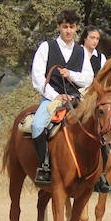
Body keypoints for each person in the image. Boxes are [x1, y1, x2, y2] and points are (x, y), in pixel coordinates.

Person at [29, 9, 97, 188]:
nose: (68, 30)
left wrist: (71, 74)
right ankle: (45, 166)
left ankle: (100, 174)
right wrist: (55, 95)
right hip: (51, 98)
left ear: (76, 28)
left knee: (99, 123)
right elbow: (37, 77)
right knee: (37, 126)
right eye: (65, 27)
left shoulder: (81, 51)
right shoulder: (46, 47)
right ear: (59, 27)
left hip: (76, 99)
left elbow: (88, 78)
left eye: (72, 27)